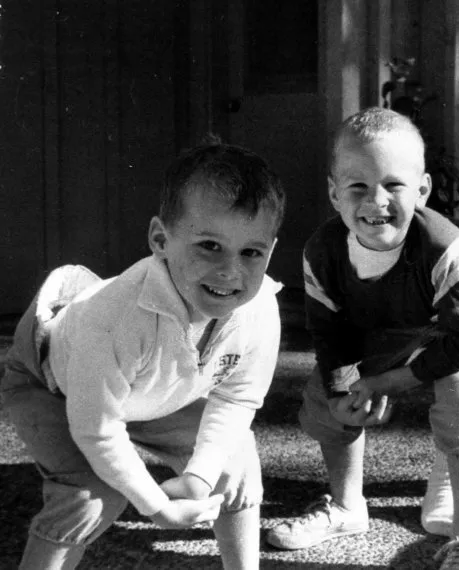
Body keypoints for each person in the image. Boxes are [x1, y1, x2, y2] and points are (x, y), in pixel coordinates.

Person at [0, 137, 286, 570]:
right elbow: (97, 431)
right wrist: (158, 507)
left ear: (270, 251)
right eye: (209, 245)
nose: (231, 271)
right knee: (88, 495)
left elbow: (237, 398)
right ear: (159, 239)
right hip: (50, 382)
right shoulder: (115, 319)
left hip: (150, 390)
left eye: (251, 252)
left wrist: (198, 476)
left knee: (235, 463)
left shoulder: (260, 305)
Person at [266, 107, 459, 570]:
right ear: (335, 194)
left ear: (422, 190)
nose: (376, 200)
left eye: (394, 185)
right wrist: (345, 389)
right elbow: (329, 331)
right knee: (327, 392)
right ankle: (346, 505)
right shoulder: (323, 250)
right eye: (358, 186)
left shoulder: (446, 246)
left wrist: (390, 381)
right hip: (388, 312)